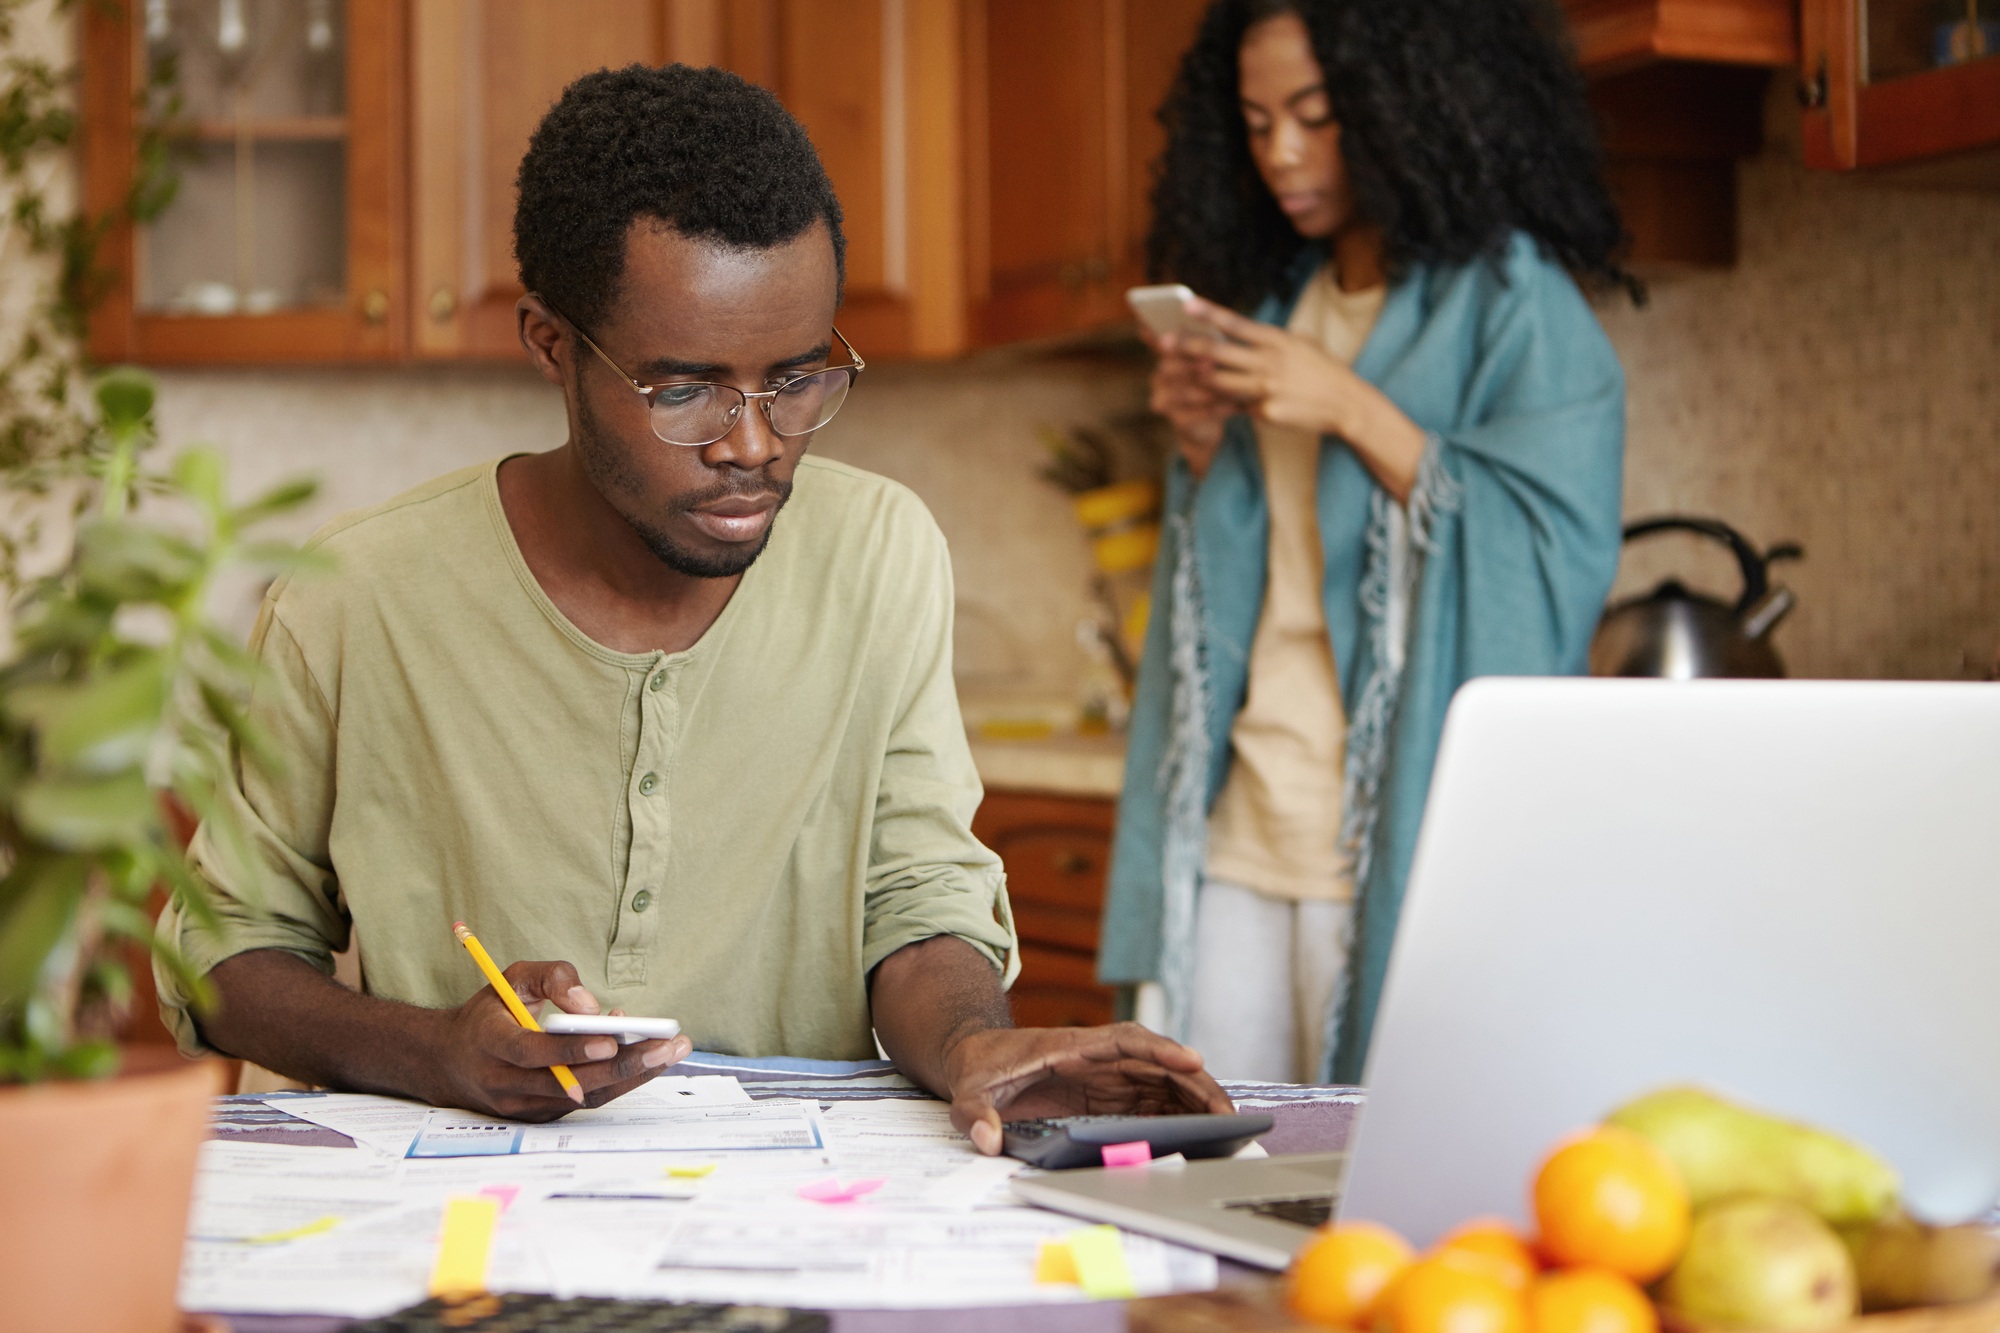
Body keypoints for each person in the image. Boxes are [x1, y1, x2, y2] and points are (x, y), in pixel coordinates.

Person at [158, 64, 1229, 1148]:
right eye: (684, 390)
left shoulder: (879, 552)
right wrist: (439, 1052)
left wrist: (969, 1044)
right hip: (457, 1214)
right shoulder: (352, 598)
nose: (753, 443)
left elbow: (916, 900)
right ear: (549, 345)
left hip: (797, 1200)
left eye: (797, 378)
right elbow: (223, 955)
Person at [1098, 0, 1632, 1084]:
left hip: (1390, 845)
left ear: (1406, 105)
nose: (1280, 154)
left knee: (1371, 1189)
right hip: (1242, 827)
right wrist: (1206, 448)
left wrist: (1350, 407)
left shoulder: (1510, 301)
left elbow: (1553, 554)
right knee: (1206, 1168)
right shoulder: (1283, 302)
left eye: (1315, 114)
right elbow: (1258, 564)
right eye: (1253, 124)